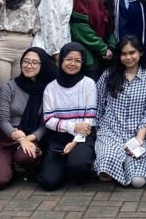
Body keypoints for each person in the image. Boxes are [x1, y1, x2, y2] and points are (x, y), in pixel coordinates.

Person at [0, 47, 57, 190]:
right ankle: (6, 166)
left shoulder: (48, 90)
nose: (29, 66)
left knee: (28, 156)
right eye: (26, 61)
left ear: (42, 65)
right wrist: (19, 137)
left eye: (34, 63)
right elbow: (2, 120)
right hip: (7, 136)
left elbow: (46, 123)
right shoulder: (9, 87)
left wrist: (28, 139)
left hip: (31, 136)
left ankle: (27, 162)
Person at [93, 36, 146, 188]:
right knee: (105, 169)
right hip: (110, 132)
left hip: (136, 135)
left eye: (132, 53)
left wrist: (138, 140)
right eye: (124, 54)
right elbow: (98, 104)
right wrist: (99, 130)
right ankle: (114, 159)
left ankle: (126, 162)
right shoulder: (109, 75)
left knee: (138, 181)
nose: (128, 57)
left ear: (140, 53)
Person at [39, 43, 97, 191]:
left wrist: (75, 141)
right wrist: (73, 126)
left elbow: (89, 119)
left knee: (78, 167)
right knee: (48, 182)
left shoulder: (88, 84)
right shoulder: (51, 88)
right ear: (61, 61)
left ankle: (74, 164)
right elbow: (48, 120)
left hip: (83, 138)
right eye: (69, 59)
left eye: (78, 60)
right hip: (58, 139)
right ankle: (62, 168)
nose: (73, 63)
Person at [71, 0, 116, 80]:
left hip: (107, 54)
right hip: (89, 55)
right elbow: (80, 28)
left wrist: (111, 46)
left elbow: (112, 22)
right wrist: (103, 49)